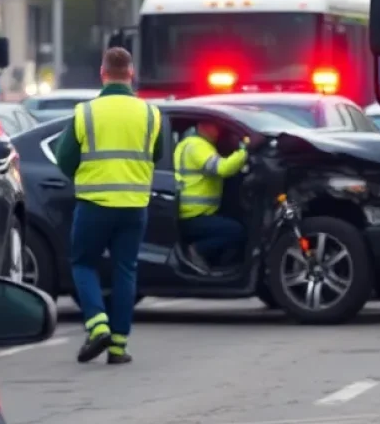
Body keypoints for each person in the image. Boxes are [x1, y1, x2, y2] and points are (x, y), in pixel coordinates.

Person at [54, 47, 162, 365]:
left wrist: (89, 174)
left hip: (94, 204)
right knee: (125, 270)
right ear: (131, 74)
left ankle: (97, 323)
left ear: (102, 74)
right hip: (134, 206)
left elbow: (64, 159)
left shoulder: (85, 112)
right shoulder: (151, 114)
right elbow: (157, 155)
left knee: (84, 264)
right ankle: (118, 347)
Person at [173, 122, 248, 271]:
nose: (218, 130)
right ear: (202, 126)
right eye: (214, 126)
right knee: (236, 231)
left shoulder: (191, 143)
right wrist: (245, 151)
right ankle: (197, 251)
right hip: (193, 215)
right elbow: (222, 168)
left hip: (194, 212)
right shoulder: (197, 146)